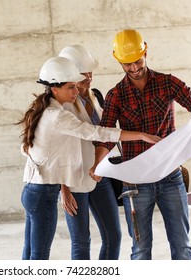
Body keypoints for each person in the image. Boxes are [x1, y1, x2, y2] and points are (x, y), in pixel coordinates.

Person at [17, 56, 161, 260]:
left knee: (30, 251)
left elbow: (26, 148)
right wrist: (139, 135)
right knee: (39, 256)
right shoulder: (58, 116)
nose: (76, 92)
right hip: (44, 191)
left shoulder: (43, 110)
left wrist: (45, 164)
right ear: (54, 88)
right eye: (71, 87)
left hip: (33, 189)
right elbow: (96, 133)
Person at [90, 29, 191, 260]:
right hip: (135, 184)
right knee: (140, 249)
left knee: (182, 246)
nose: (134, 68)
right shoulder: (116, 95)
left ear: (146, 51)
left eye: (138, 60)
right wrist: (98, 164)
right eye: (127, 64)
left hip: (170, 177)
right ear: (117, 60)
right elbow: (106, 134)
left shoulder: (167, 83)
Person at [58, 44, 121, 260]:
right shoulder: (63, 105)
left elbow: (105, 134)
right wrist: (63, 189)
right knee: (81, 242)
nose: (88, 76)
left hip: (100, 175)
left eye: (90, 71)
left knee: (114, 236)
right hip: (73, 179)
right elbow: (57, 149)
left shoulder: (96, 96)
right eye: (82, 73)